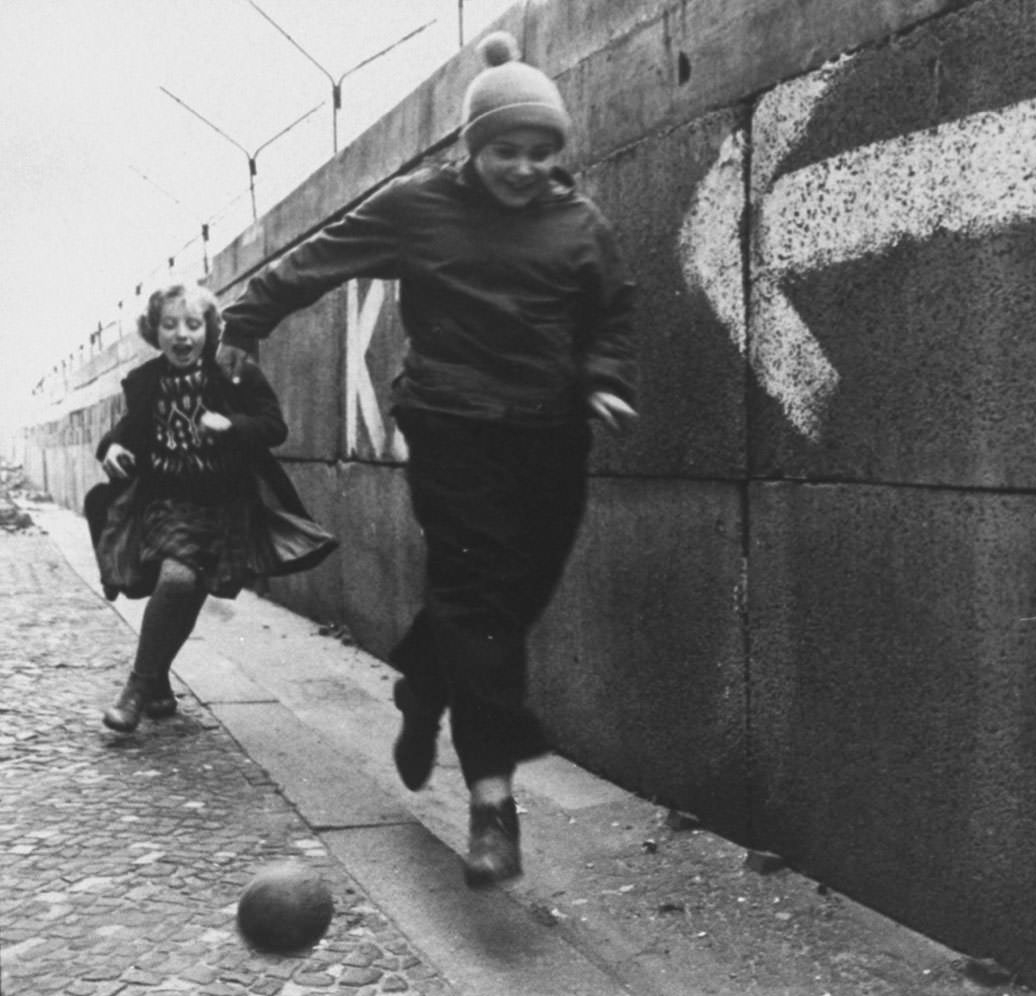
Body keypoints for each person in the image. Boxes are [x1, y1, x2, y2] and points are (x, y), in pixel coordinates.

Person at [216, 31, 638, 888]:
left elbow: (612, 314)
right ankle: (492, 804)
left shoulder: (580, 224)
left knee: (508, 601)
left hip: (552, 437)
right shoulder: (419, 207)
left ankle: (420, 688)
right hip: (452, 426)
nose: (524, 169)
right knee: (481, 601)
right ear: (472, 146)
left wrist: (603, 378)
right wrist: (245, 321)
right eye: (505, 151)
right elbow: (317, 259)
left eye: (541, 152)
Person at [88, 279, 336, 734]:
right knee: (178, 580)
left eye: (193, 324)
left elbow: (273, 426)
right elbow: (126, 429)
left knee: (189, 594)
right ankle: (136, 689)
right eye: (170, 325)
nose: (182, 335)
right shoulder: (147, 382)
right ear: (154, 332)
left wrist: (231, 424)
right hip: (168, 502)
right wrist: (110, 449)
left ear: (209, 328)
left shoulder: (233, 370)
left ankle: (157, 677)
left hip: (224, 506)